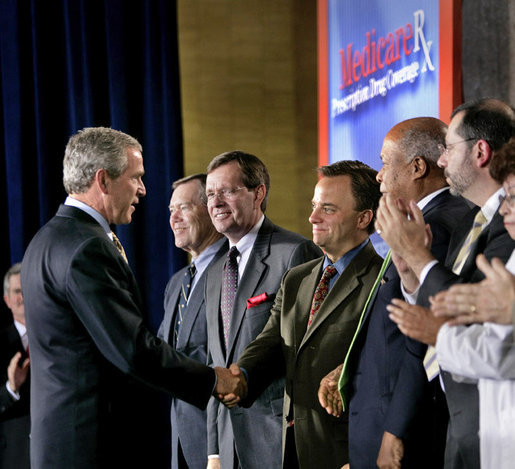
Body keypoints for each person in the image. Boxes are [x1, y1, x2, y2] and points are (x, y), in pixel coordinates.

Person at [21, 127, 245, 469]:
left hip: (63, 440)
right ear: (103, 180)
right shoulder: (87, 246)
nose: (142, 189)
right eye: (135, 178)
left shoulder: (48, 238)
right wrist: (214, 379)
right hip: (90, 445)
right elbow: (132, 350)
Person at [318, 117, 469, 469]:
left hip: (405, 434)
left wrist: (394, 431)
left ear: (417, 167)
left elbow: (424, 338)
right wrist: (347, 368)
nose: (379, 175)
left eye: (386, 163)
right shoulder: (416, 220)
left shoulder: (436, 226)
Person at [377, 99, 515, 468]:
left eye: (449, 149)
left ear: (480, 152)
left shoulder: (504, 227)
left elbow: (481, 327)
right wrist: (410, 271)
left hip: (488, 418)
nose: (442, 162)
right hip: (465, 419)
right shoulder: (475, 223)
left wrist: (420, 260)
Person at [233, 160, 383, 469]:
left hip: (348, 453)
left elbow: (386, 370)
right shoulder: (296, 278)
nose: (312, 217)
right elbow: (271, 343)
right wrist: (241, 376)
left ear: (364, 218)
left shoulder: (383, 280)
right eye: (314, 206)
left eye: (328, 209)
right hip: (292, 449)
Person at [203, 150, 322, 469]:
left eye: (227, 191)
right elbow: (217, 362)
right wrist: (214, 450)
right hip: (228, 447)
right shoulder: (214, 272)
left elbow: (305, 351)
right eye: (210, 194)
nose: (215, 202)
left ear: (259, 193)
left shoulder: (295, 253)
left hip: (278, 438)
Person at [157, 174, 227, 469]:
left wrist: (216, 450)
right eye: (171, 210)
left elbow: (226, 362)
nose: (174, 218)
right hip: (182, 440)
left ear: (210, 209)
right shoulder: (177, 282)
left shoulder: (232, 270)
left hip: (219, 444)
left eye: (184, 207)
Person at [0, 263, 30, 469]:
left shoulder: (56, 338)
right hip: (17, 456)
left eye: (27, 289)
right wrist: (12, 388)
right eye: (17, 291)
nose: (23, 297)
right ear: (7, 300)